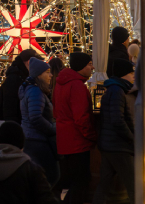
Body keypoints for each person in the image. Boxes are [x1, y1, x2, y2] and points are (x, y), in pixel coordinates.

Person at [54, 52, 97, 204]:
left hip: (65, 138)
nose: (92, 67)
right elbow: (82, 118)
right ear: (81, 66)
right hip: (77, 140)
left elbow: (56, 111)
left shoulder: (61, 84)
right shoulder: (77, 86)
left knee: (73, 180)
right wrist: (92, 135)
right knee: (81, 180)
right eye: (89, 64)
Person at [95, 59, 135, 204]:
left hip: (108, 143)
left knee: (104, 185)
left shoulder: (114, 89)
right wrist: (132, 137)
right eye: (131, 72)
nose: (134, 75)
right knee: (133, 185)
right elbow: (117, 120)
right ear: (124, 74)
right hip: (118, 145)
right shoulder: (118, 91)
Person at [19, 58, 58, 186]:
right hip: (38, 140)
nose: (51, 75)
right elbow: (35, 117)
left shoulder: (32, 89)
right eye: (47, 72)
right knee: (49, 177)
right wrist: (52, 128)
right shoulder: (35, 91)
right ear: (39, 75)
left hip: (32, 138)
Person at [0, 49, 37, 122]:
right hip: (16, 122)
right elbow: (10, 106)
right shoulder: (16, 78)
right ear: (29, 62)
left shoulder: (19, 76)